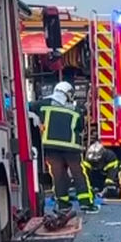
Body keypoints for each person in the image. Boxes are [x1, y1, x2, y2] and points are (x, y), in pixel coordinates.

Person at [30, 82, 97, 213]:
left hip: (51, 148)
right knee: (78, 175)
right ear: (68, 94)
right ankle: (86, 203)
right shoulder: (76, 110)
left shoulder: (43, 104)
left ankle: (63, 204)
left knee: (58, 176)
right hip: (72, 149)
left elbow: (25, 107)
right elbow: (80, 128)